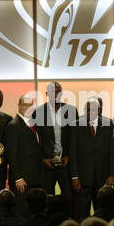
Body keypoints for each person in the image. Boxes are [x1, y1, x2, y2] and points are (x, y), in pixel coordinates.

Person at [32, 82, 78, 210]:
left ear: (61, 94)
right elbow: (35, 141)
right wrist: (42, 159)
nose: (55, 94)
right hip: (47, 165)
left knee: (69, 198)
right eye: (52, 92)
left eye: (58, 92)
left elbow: (74, 138)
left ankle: (69, 225)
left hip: (66, 163)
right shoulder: (38, 112)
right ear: (47, 94)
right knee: (47, 199)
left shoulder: (71, 111)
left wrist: (68, 157)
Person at [69, 98, 114, 221]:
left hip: (103, 177)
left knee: (102, 213)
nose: (90, 113)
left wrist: (112, 174)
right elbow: (72, 153)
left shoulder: (109, 124)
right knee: (81, 213)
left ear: (99, 110)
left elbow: (112, 152)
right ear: (85, 110)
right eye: (88, 110)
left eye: (94, 110)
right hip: (82, 177)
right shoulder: (75, 125)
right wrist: (74, 176)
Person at [5, 95, 45, 217]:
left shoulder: (34, 124)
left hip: (35, 177)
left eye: (30, 105)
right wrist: (18, 177)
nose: (28, 108)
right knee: (21, 212)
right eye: (25, 105)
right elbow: (11, 154)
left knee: (32, 212)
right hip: (22, 180)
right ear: (18, 106)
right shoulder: (14, 125)